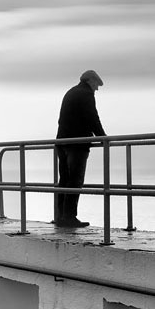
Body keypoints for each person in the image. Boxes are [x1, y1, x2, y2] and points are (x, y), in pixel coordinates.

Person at [54, 69, 106, 227]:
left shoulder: (71, 92)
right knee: (75, 181)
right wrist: (102, 137)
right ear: (90, 81)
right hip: (76, 144)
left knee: (64, 180)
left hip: (62, 142)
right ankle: (69, 217)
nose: (97, 89)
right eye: (96, 84)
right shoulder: (86, 94)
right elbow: (92, 116)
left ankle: (61, 216)